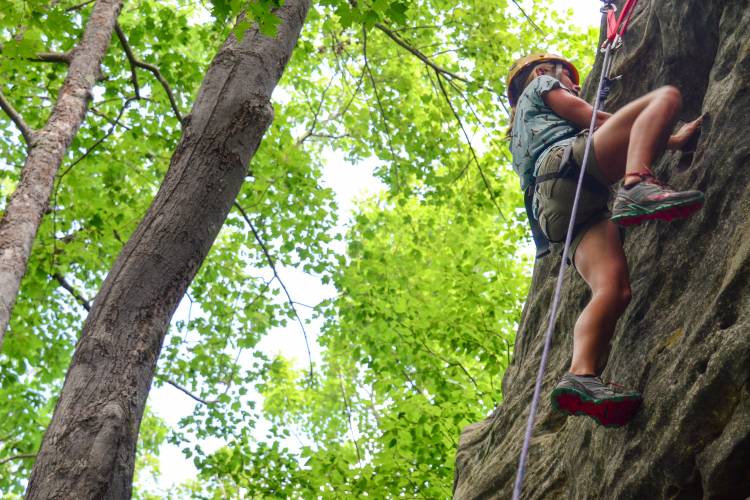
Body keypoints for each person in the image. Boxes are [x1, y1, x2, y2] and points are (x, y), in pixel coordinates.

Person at [507, 53, 704, 427]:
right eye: (570, 78)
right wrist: (672, 139)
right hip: (567, 168)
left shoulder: (519, 131)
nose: (576, 86)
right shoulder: (541, 84)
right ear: (540, 72)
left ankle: (581, 374)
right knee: (665, 98)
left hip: (555, 213)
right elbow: (592, 118)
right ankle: (636, 184)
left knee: (612, 289)